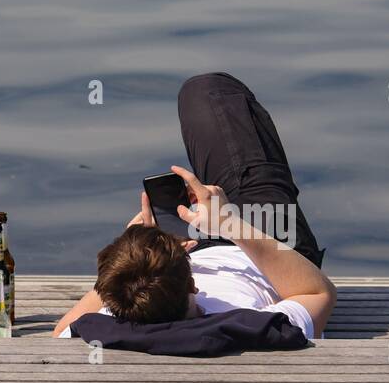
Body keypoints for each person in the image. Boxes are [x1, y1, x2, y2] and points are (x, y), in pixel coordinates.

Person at [53, 72, 336, 341]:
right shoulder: (255, 325)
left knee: (202, 100)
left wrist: (133, 255)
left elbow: (62, 330)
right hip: (269, 245)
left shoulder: (103, 327)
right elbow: (317, 292)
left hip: (183, 258)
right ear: (192, 285)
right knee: (209, 91)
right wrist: (228, 223)